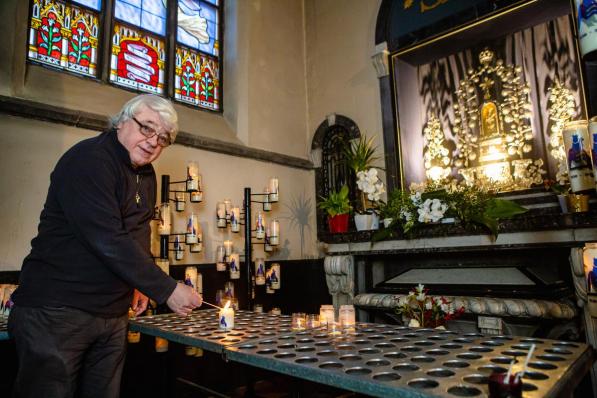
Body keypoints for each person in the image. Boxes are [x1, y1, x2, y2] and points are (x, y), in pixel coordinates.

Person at [8, 94, 202, 398]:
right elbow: (106, 236)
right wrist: (165, 290)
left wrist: (138, 284)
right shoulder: (89, 160)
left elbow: (137, 232)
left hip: (112, 314)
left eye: (163, 137)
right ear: (122, 120)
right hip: (59, 311)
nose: (154, 142)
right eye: (147, 128)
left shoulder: (145, 174)